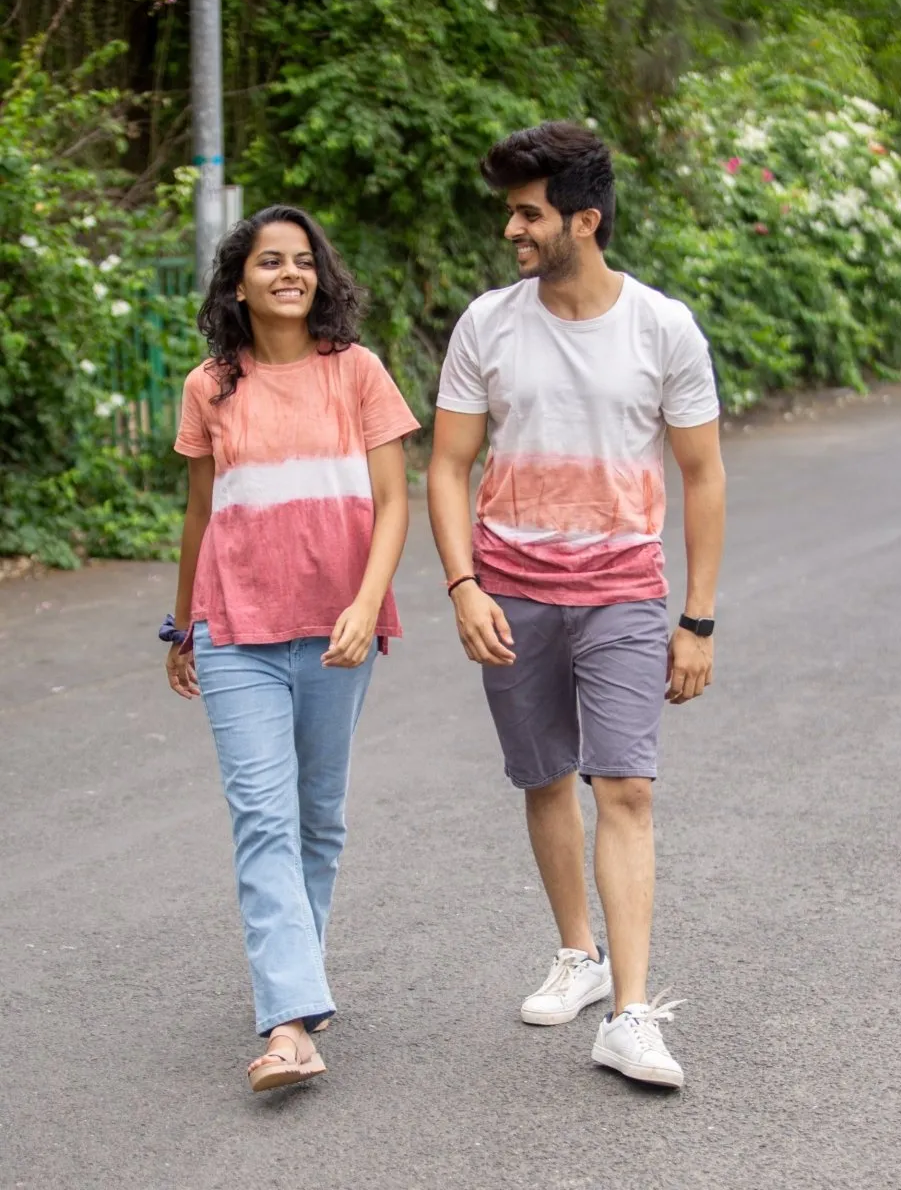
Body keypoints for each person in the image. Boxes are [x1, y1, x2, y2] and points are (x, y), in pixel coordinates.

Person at [427, 122, 726, 1088]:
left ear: (583, 221)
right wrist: (463, 583)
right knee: (545, 776)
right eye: (511, 211)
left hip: (625, 595)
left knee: (626, 787)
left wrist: (699, 616)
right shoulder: (488, 323)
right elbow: (446, 462)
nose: (512, 229)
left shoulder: (662, 328)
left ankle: (631, 1013)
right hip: (512, 591)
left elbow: (703, 476)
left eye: (529, 213)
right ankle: (579, 956)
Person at [163, 204, 419, 1092]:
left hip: (337, 629)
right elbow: (201, 510)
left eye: (302, 261)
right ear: (239, 281)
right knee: (263, 819)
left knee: (318, 817)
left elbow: (394, 503)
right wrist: (181, 621)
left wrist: (365, 603)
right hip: (237, 629)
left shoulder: (357, 374)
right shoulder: (211, 386)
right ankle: (288, 1023)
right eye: (269, 261)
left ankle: (292, 992)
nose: (288, 274)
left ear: (321, 277)